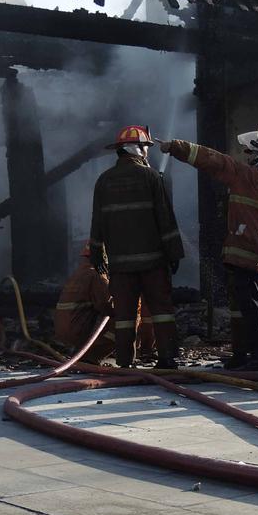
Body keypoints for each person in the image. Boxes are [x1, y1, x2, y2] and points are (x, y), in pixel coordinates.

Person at [159, 131, 258, 372]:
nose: (248, 157)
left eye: (252, 153)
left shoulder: (245, 176)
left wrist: (175, 147)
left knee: (252, 308)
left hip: (246, 254)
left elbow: (212, 159)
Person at [89, 125, 184, 369]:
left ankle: (124, 362)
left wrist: (97, 253)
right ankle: (167, 358)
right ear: (138, 149)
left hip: (120, 264)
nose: (147, 153)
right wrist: (174, 253)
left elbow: (97, 221)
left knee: (125, 315)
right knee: (161, 310)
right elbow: (166, 219)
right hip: (153, 262)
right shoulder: (152, 178)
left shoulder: (104, 181)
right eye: (146, 148)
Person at [54, 244, 156, 365]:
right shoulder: (96, 275)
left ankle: (83, 353)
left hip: (66, 331)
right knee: (126, 318)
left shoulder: (80, 273)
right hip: (77, 332)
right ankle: (90, 357)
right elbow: (109, 306)